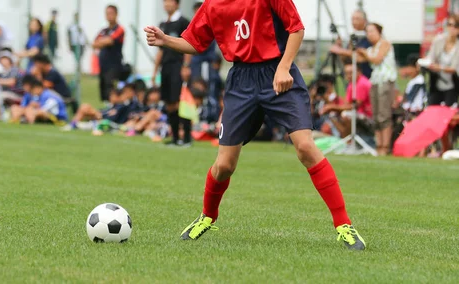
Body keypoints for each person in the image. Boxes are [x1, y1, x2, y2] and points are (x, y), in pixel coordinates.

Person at [145, 0, 366, 250]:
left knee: (305, 147)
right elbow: (195, 42)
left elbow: (296, 28)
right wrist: (166, 40)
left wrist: (283, 68)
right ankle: (207, 216)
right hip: (241, 82)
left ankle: (344, 225)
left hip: (278, 73)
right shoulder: (212, 4)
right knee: (225, 165)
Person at [151, 0, 192, 147]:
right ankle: (175, 138)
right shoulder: (163, 24)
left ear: (177, 4)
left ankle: (187, 138)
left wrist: (186, 66)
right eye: (165, 2)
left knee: (180, 102)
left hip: (178, 67)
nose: (166, 4)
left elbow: (189, 44)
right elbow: (160, 51)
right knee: (168, 103)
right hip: (166, 68)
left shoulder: (183, 22)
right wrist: (155, 72)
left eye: (169, 1)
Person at [357, 23, 398, 156]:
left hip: (385, 81)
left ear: (379, 32)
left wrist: (363, 52)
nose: (369, 34)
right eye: (367, 32)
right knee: (376, 115)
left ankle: (385, 147)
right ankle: (378, 145)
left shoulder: (384, 44)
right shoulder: (371, 48)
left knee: (384, 115)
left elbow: (377, 60)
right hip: (375, 82)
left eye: (372, 31)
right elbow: (357, 58)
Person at [320, 63, 373, 138]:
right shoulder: (351, 84)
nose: (349, 75)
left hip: (368, 116)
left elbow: (355, 106)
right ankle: (346, 140)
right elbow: (346, 103)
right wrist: (331, 104)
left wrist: (332, 107)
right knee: (333, 115)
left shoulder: (362, 83)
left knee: (345, 115)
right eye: (347, 73)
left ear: (359, 72)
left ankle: (350, 142)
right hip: (357, 113)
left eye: (351, 73)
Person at [424, 14, 459, 108]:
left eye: (455, 26)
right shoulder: (438, 40)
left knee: (449, 112)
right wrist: (424, 63)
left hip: (452, 85)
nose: (452, 28)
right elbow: (430, 57)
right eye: (449, 24)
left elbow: (454, 68)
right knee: (432, 109)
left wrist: (439, 67)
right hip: (436, 83)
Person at [93, 5, 125, 103]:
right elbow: (94, 43)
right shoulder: (103, 30)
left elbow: (110, 41)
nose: (109, 16)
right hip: (103, 66)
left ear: (116, 14)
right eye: (107, 14)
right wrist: (103, 41)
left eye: (111, 13)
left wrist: (102, 42)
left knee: (111, 90)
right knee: (103, 91)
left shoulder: (119, 29)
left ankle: (114, 110)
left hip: (114, 67)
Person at [329, 10, 372, 79]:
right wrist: (339, 47)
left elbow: (362, 57)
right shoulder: (353, 37)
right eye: (352, 19)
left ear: (365, 20)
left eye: (357, 19)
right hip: (354, 80)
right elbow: (347, 59)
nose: (354, 22)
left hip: (367, 77)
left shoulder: (369, 37)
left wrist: (340, 50)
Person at [189, 1, 218, 82]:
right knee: (196, 84)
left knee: (211, 84)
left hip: (210, 61)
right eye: (196, 13)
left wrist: (216, 60)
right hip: (196, 62)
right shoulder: (191, 28)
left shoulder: (212, 24)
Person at [0, 52, 23, 120]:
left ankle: (1, 117)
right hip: (6, 93)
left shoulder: (14, 69)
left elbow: (11, 82)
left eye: (5, 59)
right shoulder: (1, 71)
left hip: (16, 94)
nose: (3, 61)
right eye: (2, 59)